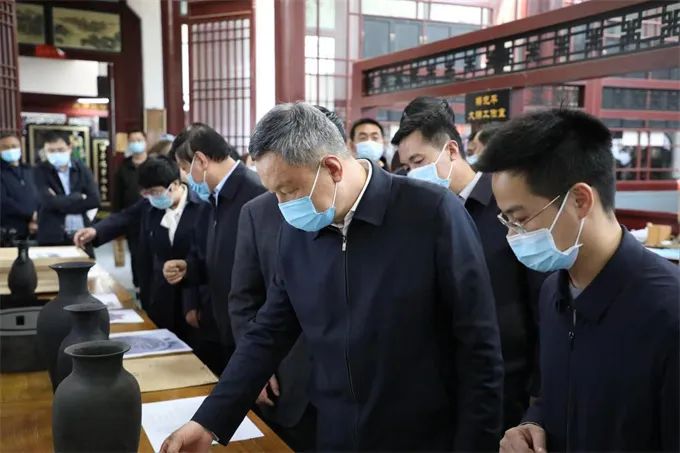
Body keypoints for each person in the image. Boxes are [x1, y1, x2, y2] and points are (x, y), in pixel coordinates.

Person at [160, 102, 503, 452]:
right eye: (273, 192)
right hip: (335, 433)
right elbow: (269, 331)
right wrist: (209, 421)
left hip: (422, 437)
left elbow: (479, 347)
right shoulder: (296, 230)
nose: (281, 205)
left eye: (288, 190)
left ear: (333, 168)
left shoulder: (431, 213)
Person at [475, 109, 680, 452]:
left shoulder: (668, 315)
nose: (513, 235)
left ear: (580, 199)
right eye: (506, 221)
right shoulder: (554, 292)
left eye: (520, 219)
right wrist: (532, 423)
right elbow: (558, 393)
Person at [392, 97, 544, 431]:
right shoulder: (422, 216)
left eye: (418, 161)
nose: (412, 173)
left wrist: (540, 393)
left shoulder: (507, 206)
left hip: (508, 384)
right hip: (444, 384)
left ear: (451, 150)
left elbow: (542, 303)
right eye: (406, 166)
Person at [227, 106, 346, 451]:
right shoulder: (261, 213)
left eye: (289, 189)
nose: (283, 203)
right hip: (289, 378)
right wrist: (256, 371)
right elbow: (247, 300)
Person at [162, 123, 266, 366]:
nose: (184, 177)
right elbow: (223, 260)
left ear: (201, 160)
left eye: (185, 168)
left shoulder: (256, 194)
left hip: (251, 331)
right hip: (222, 322)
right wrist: (190, 269)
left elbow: (266, 274)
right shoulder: (215, 196)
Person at [33, 131, 100, 247]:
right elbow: (47, 202)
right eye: (51, 151)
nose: (56, 154)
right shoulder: (38, 171)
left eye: (60, 150)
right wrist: (77, 197)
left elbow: (94, 200)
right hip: (51, 234)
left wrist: (59, 202)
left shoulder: (82, 168)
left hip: (82, 234)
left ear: (69, 148)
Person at [112, 130, 148, 288]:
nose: (136, 143)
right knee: (136, 254)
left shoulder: (154, 164)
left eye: (139, 140)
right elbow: (117, 196)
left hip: (153, 217)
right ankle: (138, 286)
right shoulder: (123, 167)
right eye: (133, 141)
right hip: (132, 220)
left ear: (146, 141)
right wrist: (116, 223)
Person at [0, 132, 39, 244]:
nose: (10, 150)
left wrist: (38, 217)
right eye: (5, 147)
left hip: (37, 229)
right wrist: (31, 215)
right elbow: (4, 202)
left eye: (14, 146)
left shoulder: (30, 170)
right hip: (9, 232)